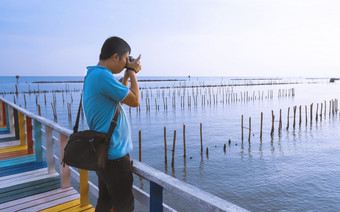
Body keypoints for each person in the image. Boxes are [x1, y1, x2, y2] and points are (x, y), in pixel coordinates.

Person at [83, 36, 141, 212]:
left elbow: (118, 103)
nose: (125, 63)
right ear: (115, 57)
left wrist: (125, 75)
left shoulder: (93, 74)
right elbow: (135, 100)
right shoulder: (102, 76)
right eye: (125, 59)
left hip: (104, 153)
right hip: (115, 156)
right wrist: (132, 72)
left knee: (106, 203)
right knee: (125, 207)